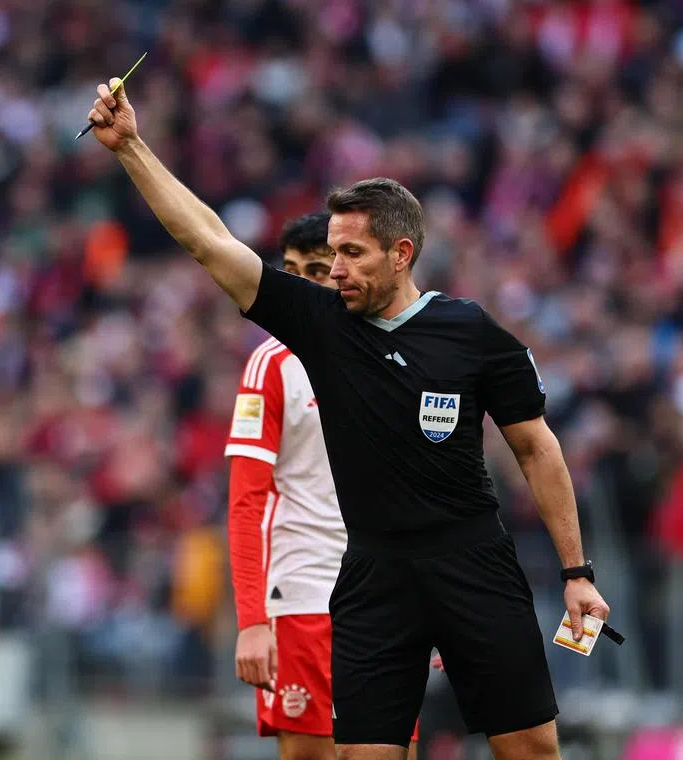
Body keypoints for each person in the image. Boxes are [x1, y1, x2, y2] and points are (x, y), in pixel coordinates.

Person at [87, 80, 609, 760]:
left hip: (471, 559)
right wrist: (131, 147)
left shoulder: (471, 334)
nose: (335, 270)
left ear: (401, 255)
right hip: (372, 575)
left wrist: (577, 572)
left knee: (533, 747)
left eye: (352, 254)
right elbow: (210, 243)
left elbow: (538, 450)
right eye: (331, 253)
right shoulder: (322, 325)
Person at [228, 213, 418, 760]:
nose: (300, 284)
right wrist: (253, 622)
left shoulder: (395, 358)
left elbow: (417, 495)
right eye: (288, 271)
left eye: (315, 270)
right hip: (306, 596)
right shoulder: (271, 363)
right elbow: (246, 502)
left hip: (387, 598)